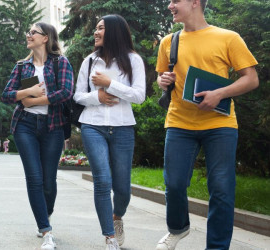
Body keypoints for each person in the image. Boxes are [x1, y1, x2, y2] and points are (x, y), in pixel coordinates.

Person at [155, 0, 259, 249]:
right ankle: (178, 228)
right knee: (174, 184)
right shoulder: (168, 42)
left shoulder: (228, 38)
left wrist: (220, 94)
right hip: (179, 122)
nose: (170, 5)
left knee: (222, 189)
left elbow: (251, 79)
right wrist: (163, 80)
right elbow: (162, 76)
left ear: (194, 2)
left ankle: (217, 247)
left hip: (220, 124)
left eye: (175, 1)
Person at [73, 14, 146, 250]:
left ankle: (117, 218)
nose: (95, 32)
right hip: (92, 126)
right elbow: (78, 96)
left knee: (123, 188)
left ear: (114, 31)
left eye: (101, 28)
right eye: (95, 28)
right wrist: (98, 96)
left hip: (123, 128)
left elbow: (139, 96)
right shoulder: (89, 61)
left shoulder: (133, 60)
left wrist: (110, 83)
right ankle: (109, 237)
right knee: (102, 181)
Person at [1, 22, 73, 250]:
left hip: (53, 126)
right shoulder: (24, 66)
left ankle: (45, 214)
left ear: (46, 38)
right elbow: (8, 94)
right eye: (28, 32)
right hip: (25, 125)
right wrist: (28, 93)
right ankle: (46, 231)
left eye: (33, 32)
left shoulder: (60, 62)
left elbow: (65, 92)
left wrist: (35, 99)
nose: (28, 35)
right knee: (34, 178)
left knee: (48, 182)